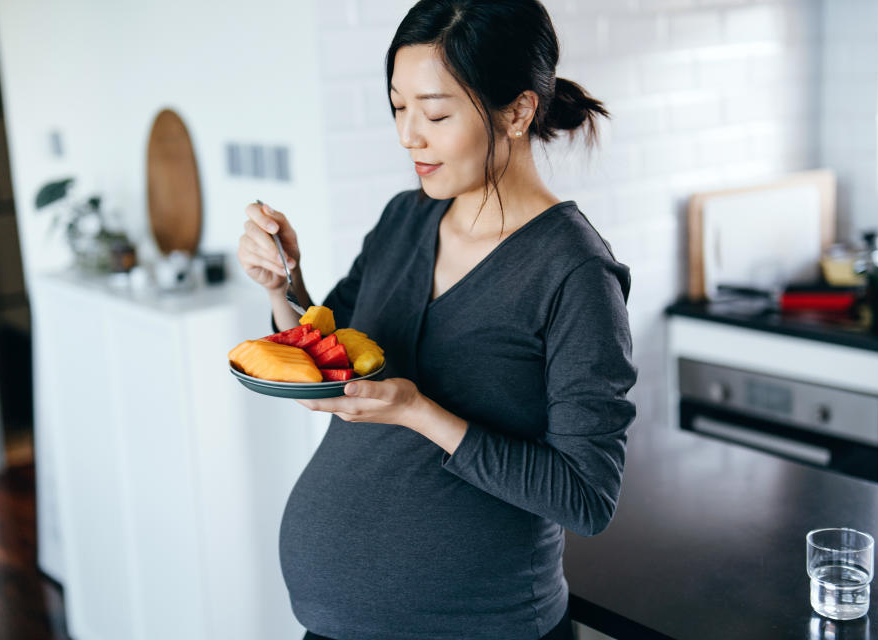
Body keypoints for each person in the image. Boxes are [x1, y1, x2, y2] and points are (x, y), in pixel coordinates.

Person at [235, 1, 638, 638]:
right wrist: (283, 282)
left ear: (517, 111)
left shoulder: (574, 274)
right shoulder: (406, 216)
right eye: (398, 107)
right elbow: (329, 355)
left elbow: (586, 497)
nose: (408, 135)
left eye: (436, 112)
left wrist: (420, 412)